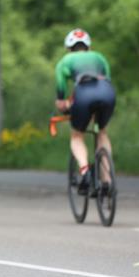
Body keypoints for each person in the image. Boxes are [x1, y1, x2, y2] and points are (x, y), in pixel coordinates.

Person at [54, 28, 116, 195]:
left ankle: (84, 171)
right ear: (88, 46)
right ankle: (108, 181)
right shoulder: (99, 57)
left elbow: (61, 94)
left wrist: (64, 104)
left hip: (83, 95)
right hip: (107, 92)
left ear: (69, 48)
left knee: (77, 136)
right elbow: (107, 79)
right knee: (102, 132)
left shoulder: (65, 61)